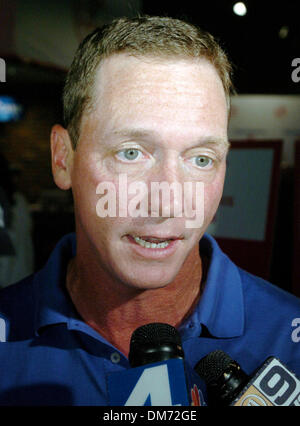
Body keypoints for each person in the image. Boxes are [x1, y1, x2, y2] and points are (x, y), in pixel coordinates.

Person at [0, 15, 299, 406]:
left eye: (201, 159)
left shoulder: (288, 337)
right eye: (131, 153)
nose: (169, 201)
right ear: (63, 159)